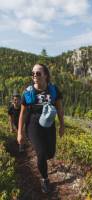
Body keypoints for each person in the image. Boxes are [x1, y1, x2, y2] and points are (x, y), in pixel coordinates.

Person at [17, 63, 64, 193]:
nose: (35, 76)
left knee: (50, 153)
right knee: (42, 153)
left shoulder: (53, 90)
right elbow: (23, 113)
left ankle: (43, 160)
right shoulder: (28, 93)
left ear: (46, 75)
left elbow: (60, 109)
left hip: (49, 124)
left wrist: (62, 125)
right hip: (33, 125)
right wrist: (20, 133)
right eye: (33, 73)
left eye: (38, 73)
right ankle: (44, 179)